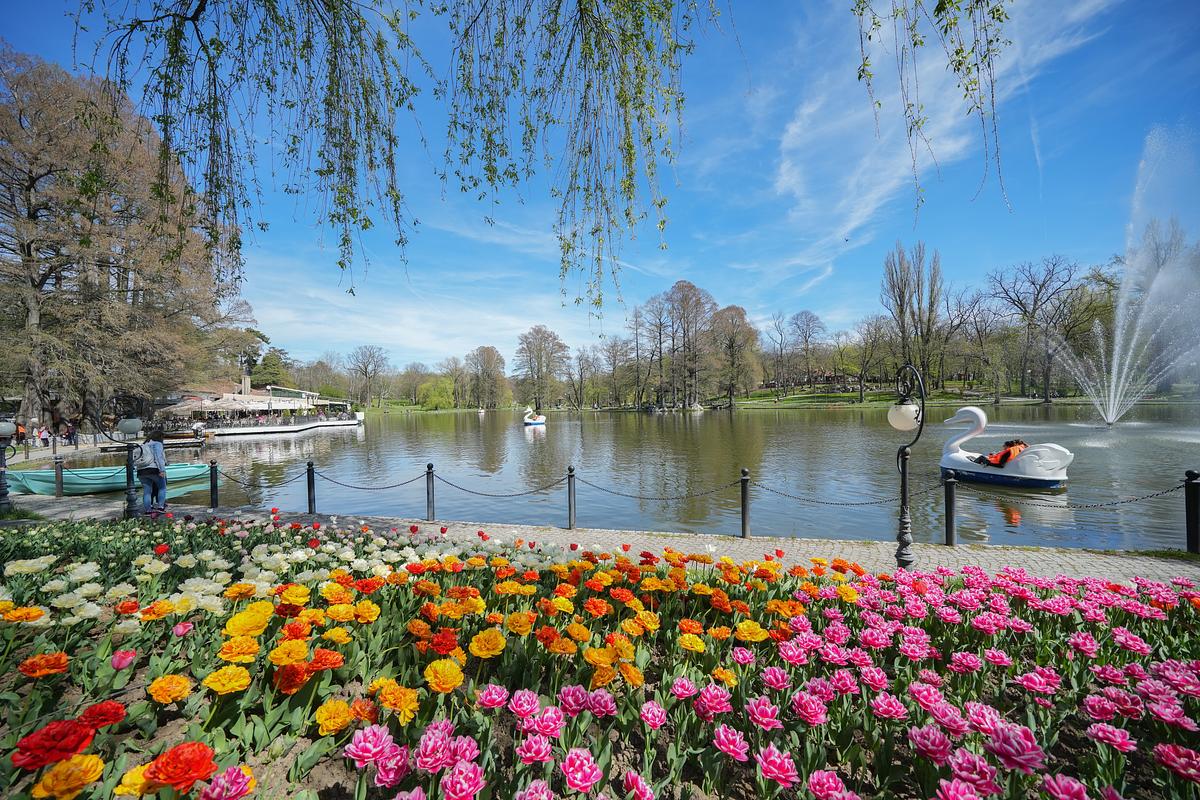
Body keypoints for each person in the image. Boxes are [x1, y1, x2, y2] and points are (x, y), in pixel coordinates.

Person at [134, 430, 168, 516]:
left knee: (147, 491)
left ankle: (148, 510)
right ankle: (160, 507)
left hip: (141, 471)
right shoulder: (157, 444)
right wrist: (162, 470)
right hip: (153, 469)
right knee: (162, 488)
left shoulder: (143, 445)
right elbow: (158, 457)